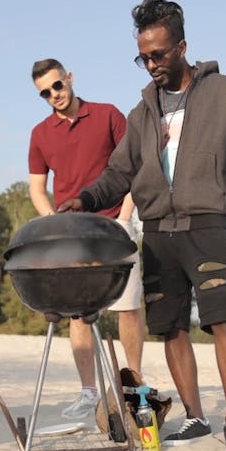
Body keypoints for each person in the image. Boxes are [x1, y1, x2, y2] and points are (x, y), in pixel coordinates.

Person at [59, 0, 226, 451]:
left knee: (222, 321)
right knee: (171, 327)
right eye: (143, 56)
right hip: (157, 231)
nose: (151, 64)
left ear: (181, 46)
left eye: (158, 54)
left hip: (207, 224)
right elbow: (119, 174)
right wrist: (85, 198)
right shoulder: (142, 113)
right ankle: (196, 418)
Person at [28, 58, 145, 420]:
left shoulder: (109, 115)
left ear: (70, 78)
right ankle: (88, 392)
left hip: (115, 225)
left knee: (127, 307)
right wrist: (51, 225)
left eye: (57, 86)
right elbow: (37, 187)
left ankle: (134, 386)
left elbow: (136, 166)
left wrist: (125, 215)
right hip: (71, 234)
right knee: (78, 314)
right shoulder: (40, 133)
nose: (53, 96)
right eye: (45, 93)